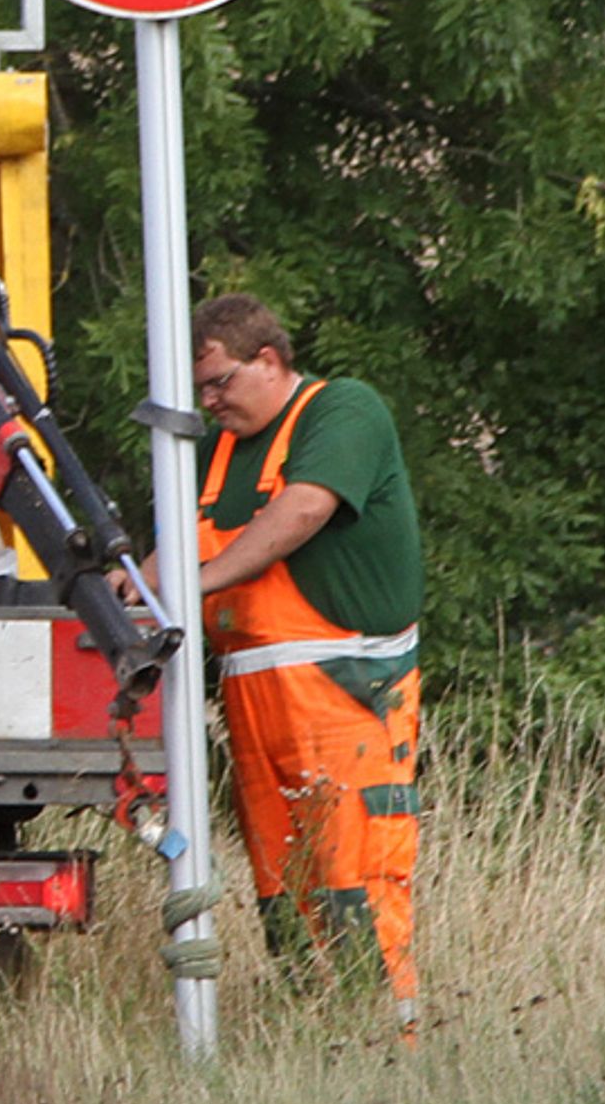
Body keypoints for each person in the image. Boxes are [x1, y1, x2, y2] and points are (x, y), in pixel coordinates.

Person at [122, 295, 424, 1027]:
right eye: (200, 389)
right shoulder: (217, 450)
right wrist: (131, 587)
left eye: (220, 380)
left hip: (343, 688)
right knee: (281, 887)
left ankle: (383, 1043)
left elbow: (304, 510)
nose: (210, 399)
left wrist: (190, 586)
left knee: (356, 874)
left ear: (268, 359)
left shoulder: (340, 411)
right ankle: (318, 1033)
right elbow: (176, 551)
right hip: (252, 695)